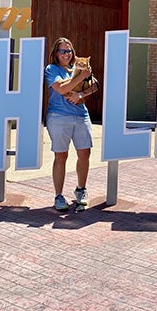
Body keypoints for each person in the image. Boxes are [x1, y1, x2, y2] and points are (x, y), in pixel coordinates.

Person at [44, 37, 98, 211]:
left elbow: (94, 85)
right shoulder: (52, 69)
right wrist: (81, 76)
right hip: (59, 117)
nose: (66, 54)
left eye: (69, 51)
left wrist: (80, 95)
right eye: (62, 51)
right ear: (56, 53)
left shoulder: (78, 67)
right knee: (61, 156)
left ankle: (81, 190)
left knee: (85, 154)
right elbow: (61, 89)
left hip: (81, 116)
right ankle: (58, 196)